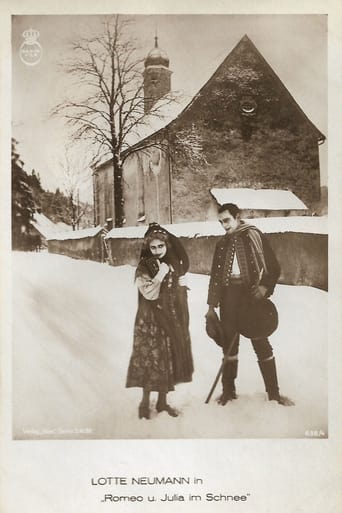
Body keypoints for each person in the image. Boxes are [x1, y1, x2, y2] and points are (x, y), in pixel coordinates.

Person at [206, 203, 294, 406]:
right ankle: (228, 392)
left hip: (251, 297)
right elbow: (215, 278)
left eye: (227, 220)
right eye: (221, 222)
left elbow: (273, 267)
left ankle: (274, 394)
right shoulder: (222, 244)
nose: (224, 225)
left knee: (260, 342)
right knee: (229, 345)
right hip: (228, 298)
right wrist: (212, 306)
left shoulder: (253, 235)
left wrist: (264, 288)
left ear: (237, 217)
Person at [126, 222, 194, 419]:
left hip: (171, 316)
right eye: (153, 247)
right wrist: (161, 274)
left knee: (168, 357)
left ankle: (163, 402)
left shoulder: (172, 264)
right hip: (150, 319)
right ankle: (144, 403)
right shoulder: (143, 267)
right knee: (151, 359)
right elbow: (149, 293)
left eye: (160, 247)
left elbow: (175, 288)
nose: (157, 251)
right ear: (148, 247)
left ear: (166, 246)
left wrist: (181, 287)